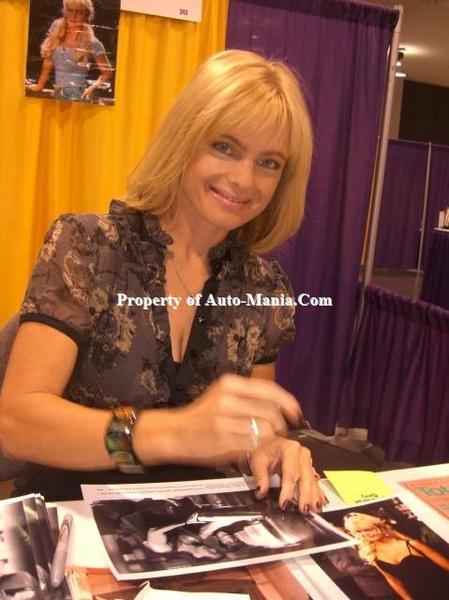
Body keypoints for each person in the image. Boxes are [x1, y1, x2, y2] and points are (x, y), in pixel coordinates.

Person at [0, 49, 324, 509]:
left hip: (197, 525)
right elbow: (18, 424)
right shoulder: (88, 247)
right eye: (225, 147)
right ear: (184, 140)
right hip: (73, 517)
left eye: (268, 162)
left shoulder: (263, 289)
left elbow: (251, 430)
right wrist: (171, 433)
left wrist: (271, 447)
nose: (244, 179)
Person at [344, 512, 449, 599]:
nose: (365, 534)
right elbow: (394, 581)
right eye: (359, 532)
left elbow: (446, 566)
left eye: (368, 529)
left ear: (379, 527)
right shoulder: (372, 556)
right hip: (420, 596)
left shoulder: (412, 544)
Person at [27, 0, 111, 101]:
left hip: (79, 97)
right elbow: (47, 65)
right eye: (70, 10)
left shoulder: (92, 42)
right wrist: (40, 85)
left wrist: (92, 88)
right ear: (65, 11)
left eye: (78, 12)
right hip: (58, 95)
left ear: (86, 15)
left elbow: (107, 73)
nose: (73, 16)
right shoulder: (56, 33)